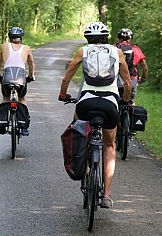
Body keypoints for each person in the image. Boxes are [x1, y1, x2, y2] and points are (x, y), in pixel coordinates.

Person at [58, 22, 131, 208]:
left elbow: (67, 76)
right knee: (109, 146)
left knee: (77, 129)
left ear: (87, 38)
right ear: (106, 37)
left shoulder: (83, 52)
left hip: (85, 103)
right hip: (109, 104)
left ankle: (79, 162)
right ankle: (106, 195)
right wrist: (125, 99)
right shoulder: (117, 52)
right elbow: (128, 82)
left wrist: (63, 94)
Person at [0, 26, 35, 135]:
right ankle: (24, 126)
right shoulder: (26, 48)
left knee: (5, 98)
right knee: (22, 99)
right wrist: (30, 76)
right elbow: (31, 64)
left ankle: (3, 122)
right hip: (21, 78)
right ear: (21, 38)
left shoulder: (3, 46)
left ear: (9, 37)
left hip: (7, 77)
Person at [114, 28, 148, 104]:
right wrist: (142, 78)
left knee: (115, 103)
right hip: (132, 80)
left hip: (116, 81)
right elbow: (144, 68)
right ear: (130, 39)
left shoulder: (113, 48)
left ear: (119, 39)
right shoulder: (135, 49)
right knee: (131, 102)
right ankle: (132, 113)